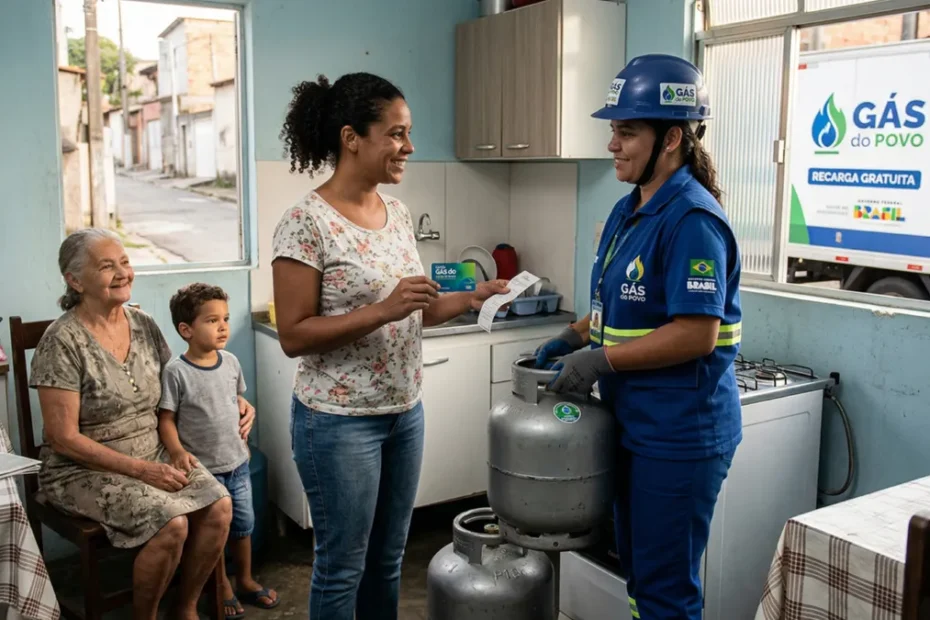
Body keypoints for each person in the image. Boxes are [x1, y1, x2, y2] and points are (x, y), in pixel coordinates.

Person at [271, 72, 508, 620]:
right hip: (337, 421)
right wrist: (382, 308)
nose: (410, 147)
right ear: (352, 137)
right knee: (342, 566)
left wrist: (475, 297)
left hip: (404, 413)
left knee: (387, 560)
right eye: (397, 134)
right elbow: (293, 334)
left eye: (409, 133)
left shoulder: (396, 213)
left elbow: (417, 309)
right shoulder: (306, 222)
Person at [536, 54, 743, 620]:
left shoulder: (693, 221)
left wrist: (599, 362)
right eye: (613, 130)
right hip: (635, 427)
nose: (613, 145)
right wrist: (572, 335)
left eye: (627, 132)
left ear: (671, 137)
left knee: (664, 589)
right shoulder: (634, 208)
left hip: (679, 435)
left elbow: (696, 335)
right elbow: (622, 303)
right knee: (640, 574)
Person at [30, 229, 242, 620]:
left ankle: (186, 608)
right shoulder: (61, 341)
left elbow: (178, 389)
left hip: (153, 451)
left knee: (219, 505)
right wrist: (144, 470)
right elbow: (62, 437)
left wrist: (236, 399)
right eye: (106, 266)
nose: (122, 272)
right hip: (80, 469)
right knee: (173, 523)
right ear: (75, 281)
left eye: (124, 262)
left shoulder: (143, 324)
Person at [157, 282, 279, 618]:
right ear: (186, 329)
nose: (223, 326)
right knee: (215, 533)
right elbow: (165, 419)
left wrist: (242, 409)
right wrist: (178, 452)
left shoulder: (230, 362)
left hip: (237, 463)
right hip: (204, 471)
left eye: (224, 318)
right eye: (212, 320)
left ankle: (246, 579)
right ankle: (221, 585)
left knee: (244, 526)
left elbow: (236, 400)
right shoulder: (176, 372)